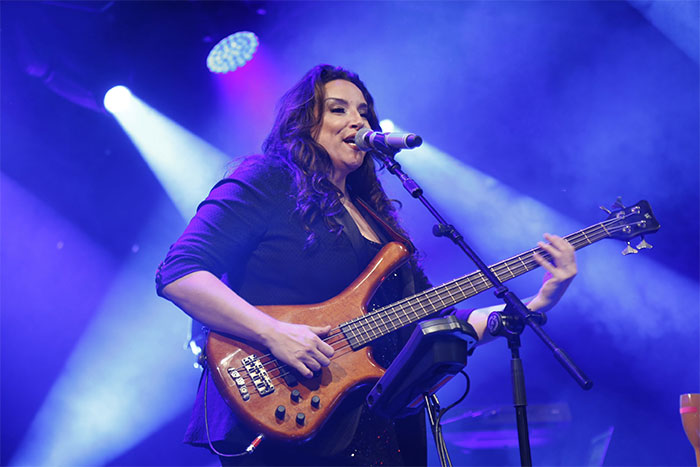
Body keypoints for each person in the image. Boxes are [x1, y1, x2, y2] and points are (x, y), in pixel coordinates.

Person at [156, 64, 577, 466]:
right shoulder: (265, 180)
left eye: (363, 112)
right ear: (304, 122)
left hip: (380, 424)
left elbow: (438, 320)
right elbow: (178, 273)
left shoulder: (378, 222)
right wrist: (275, 333)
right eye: (337, 109)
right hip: (283, 409)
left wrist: (539, 300)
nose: (357, 121)